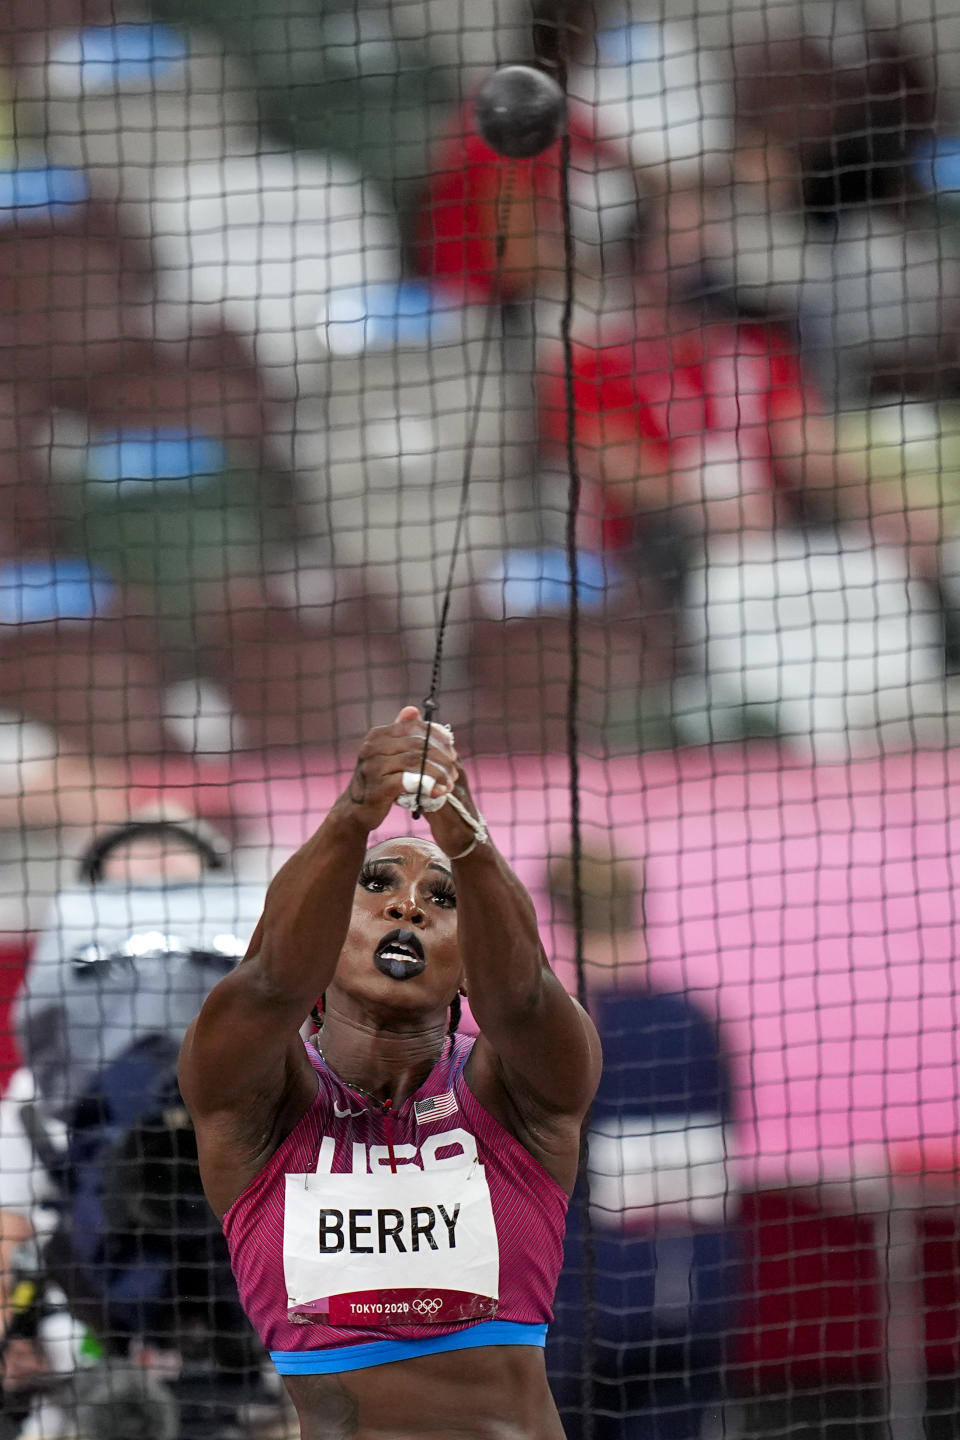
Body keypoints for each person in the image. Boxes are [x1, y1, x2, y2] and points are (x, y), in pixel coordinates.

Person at [178, 705, 602, 1440]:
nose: (408, 905)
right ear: (321, 942)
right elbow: (271, 980)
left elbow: (526, 995)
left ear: (471, 966)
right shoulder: (249, 1098)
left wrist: (462, 834)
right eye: (375, 887)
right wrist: (354, 815)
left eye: (443, 901)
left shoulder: (520, 1095)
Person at [545, 843, 739, 1440]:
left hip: (584, 1304)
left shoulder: (564, 1028)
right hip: (696, 1290)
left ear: (558, 912)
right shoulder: (696, 1022)